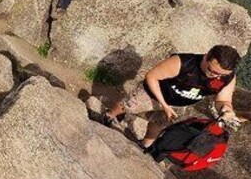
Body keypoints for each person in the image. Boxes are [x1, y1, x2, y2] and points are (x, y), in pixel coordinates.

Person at [103, 45, 241, 148]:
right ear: (206, 56)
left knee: (159, 123)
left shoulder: (227, 78)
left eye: (220, 75)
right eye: (212, 70)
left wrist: (226, 109)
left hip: (179, 103)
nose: (215, 76)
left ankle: (145, 145)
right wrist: (164, 105)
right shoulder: (183, 62)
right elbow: (152, 77)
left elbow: (223, 99)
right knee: (128, 106)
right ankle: (109, 116)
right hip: (153, 93)